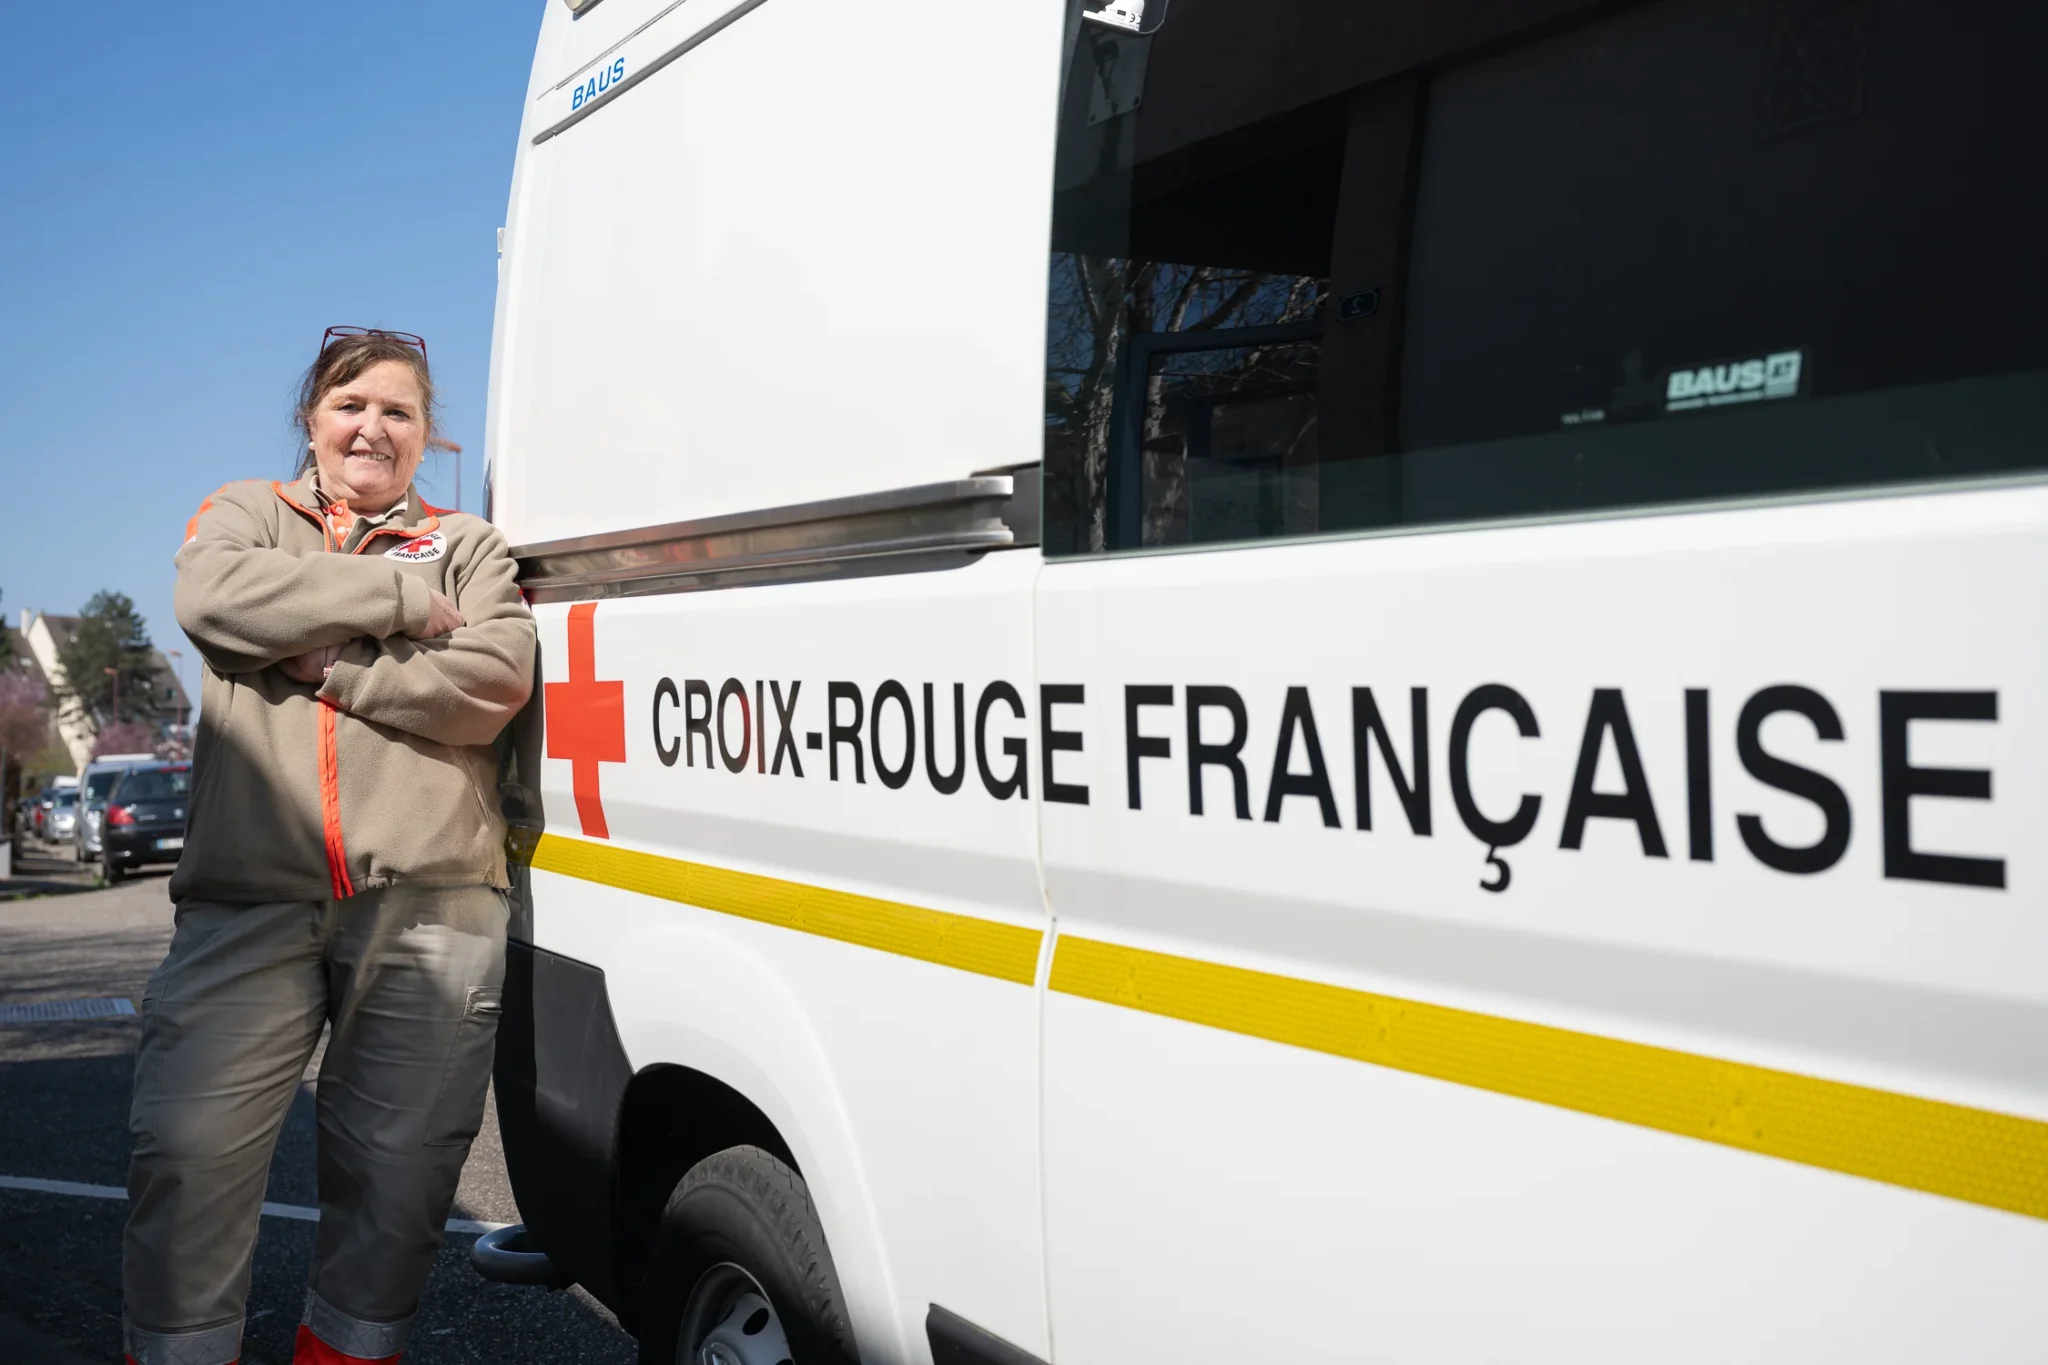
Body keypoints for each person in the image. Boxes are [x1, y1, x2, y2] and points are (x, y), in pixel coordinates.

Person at [124, 329, 537, 1365]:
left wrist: (329, 666)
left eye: (398, 412)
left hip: (437, 903)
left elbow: (489, 686)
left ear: (425, 436)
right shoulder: (243, 514)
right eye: (351, 404)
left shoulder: (469, 545)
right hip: (245, 901)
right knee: (187, 1150)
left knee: (402, 1178)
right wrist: (397, 601)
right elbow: (214, 599)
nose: (373, 427)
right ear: (311, 419)